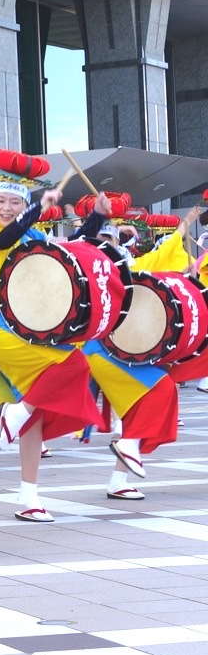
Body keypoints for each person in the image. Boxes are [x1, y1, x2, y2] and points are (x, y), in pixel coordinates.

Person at [0, 174, 107, 523]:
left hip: (31, 329)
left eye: (15, 203)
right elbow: (2, 240)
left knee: (37, 414)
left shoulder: (33, 236)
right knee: (75, 366)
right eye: (2, 202)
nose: (6, 208)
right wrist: (34, 210)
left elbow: (71, 248)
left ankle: (29, 497)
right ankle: (17, 411)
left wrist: (98, 217)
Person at [81, 206, 198, 500]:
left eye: (113, 240)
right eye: (101, 240)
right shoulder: (88, 272)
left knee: (149, 404)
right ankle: (21, 411)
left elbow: (160, 257)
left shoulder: (127, 267)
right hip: (101, 352)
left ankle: (119, 477)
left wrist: (184, 225)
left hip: (123, 352)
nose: (108, 245)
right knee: (160, 391)